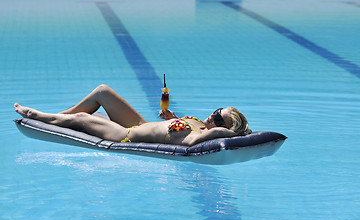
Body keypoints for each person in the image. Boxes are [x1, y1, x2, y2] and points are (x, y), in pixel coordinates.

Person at [14, 84, 251, 146]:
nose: (214, 117)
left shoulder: (198, 138)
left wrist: (227, 132)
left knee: (82, 120)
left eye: (220, 120)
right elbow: (175, 129)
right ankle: (56, 117)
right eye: (217, 112)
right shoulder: (199, 125)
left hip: (126, 135)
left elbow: (192, 139)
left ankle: (39, 116)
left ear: (224, 129)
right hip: (140, 124)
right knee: (102, 92)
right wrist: (172, 117)